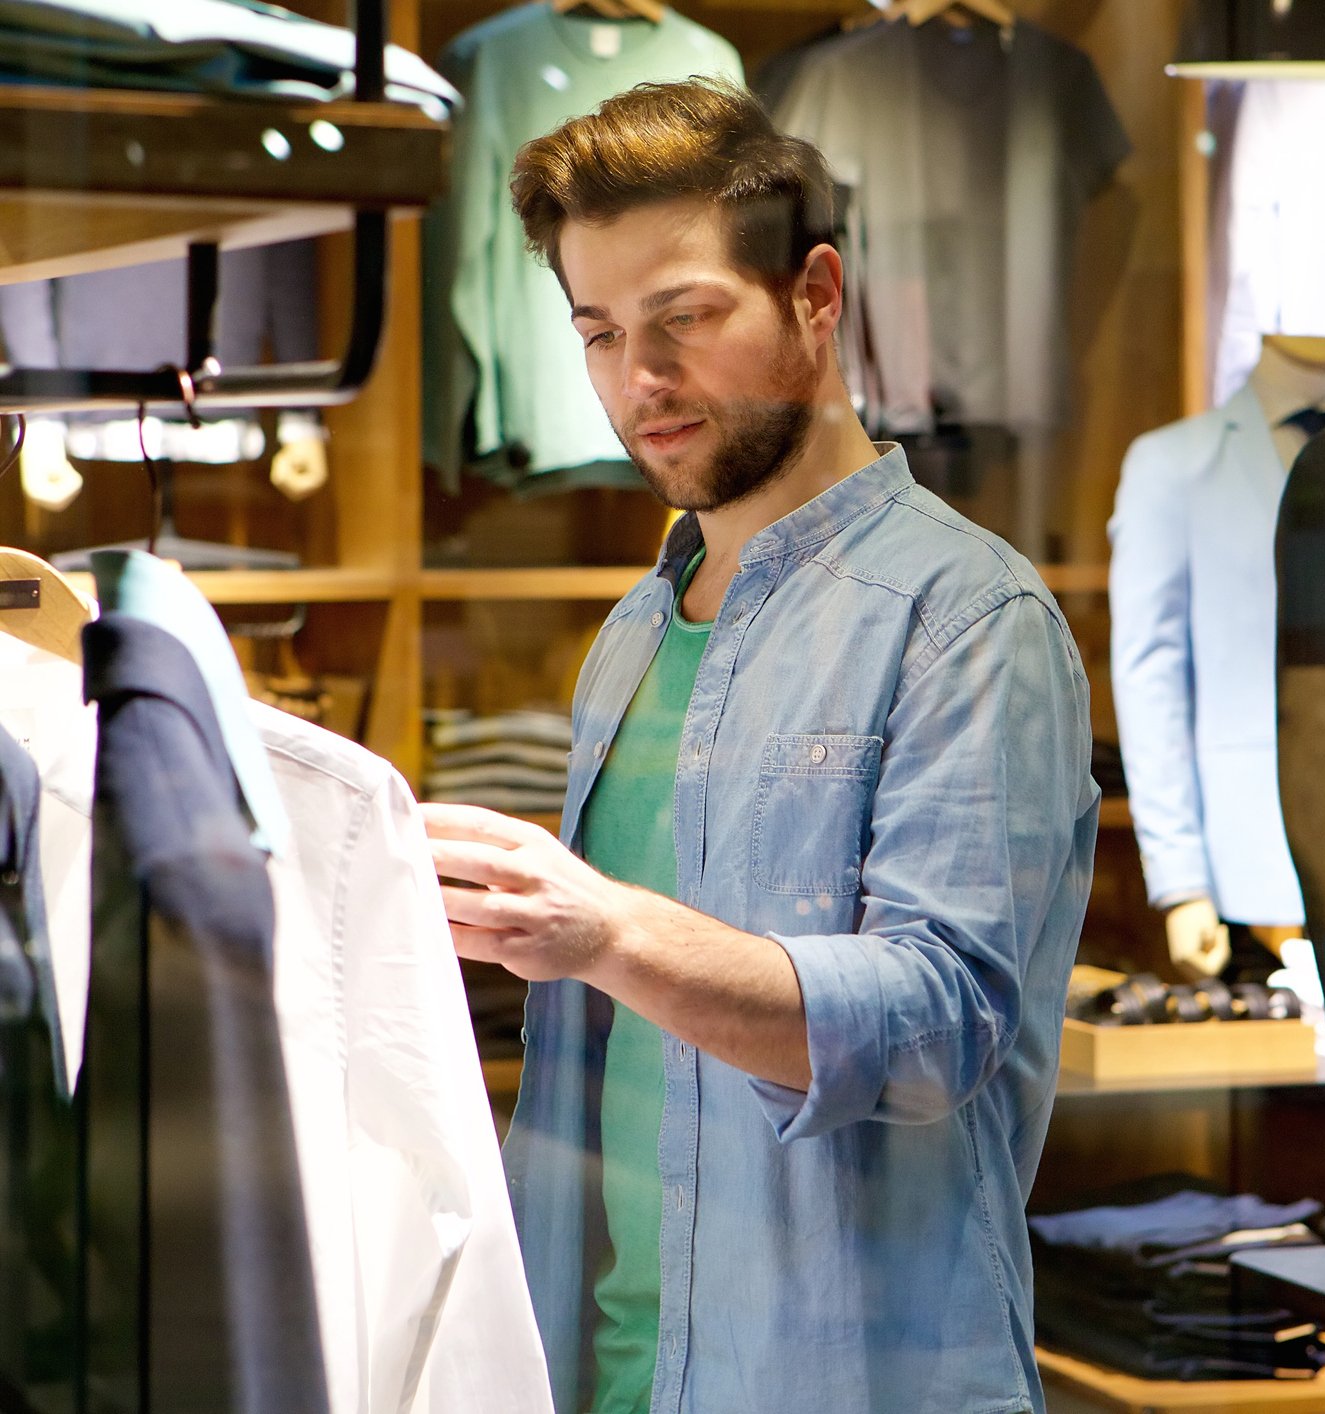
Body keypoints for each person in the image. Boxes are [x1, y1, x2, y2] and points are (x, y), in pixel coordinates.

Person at [419, 78, 1099, 1414]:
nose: (640, 382)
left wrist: (606, 929)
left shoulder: (967, 617)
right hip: (600, 1370)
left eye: (684, 319)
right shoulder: (632, 628)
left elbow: (933, 1021)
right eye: (601, 333)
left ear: (815, 295)